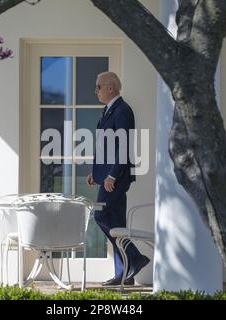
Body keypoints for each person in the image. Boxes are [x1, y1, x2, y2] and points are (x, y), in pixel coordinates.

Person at [86, 71, 149, 286]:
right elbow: (107, 147)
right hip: (108, 177)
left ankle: (135, 257)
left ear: (111, 87)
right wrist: (97, 173)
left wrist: (112, 174)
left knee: (100, 216)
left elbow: (124, 147)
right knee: (117, 223)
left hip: (117, 178)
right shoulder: (109, 110)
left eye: (99, 87)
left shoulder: (122, 110)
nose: (96, 91)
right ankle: (125, 275)